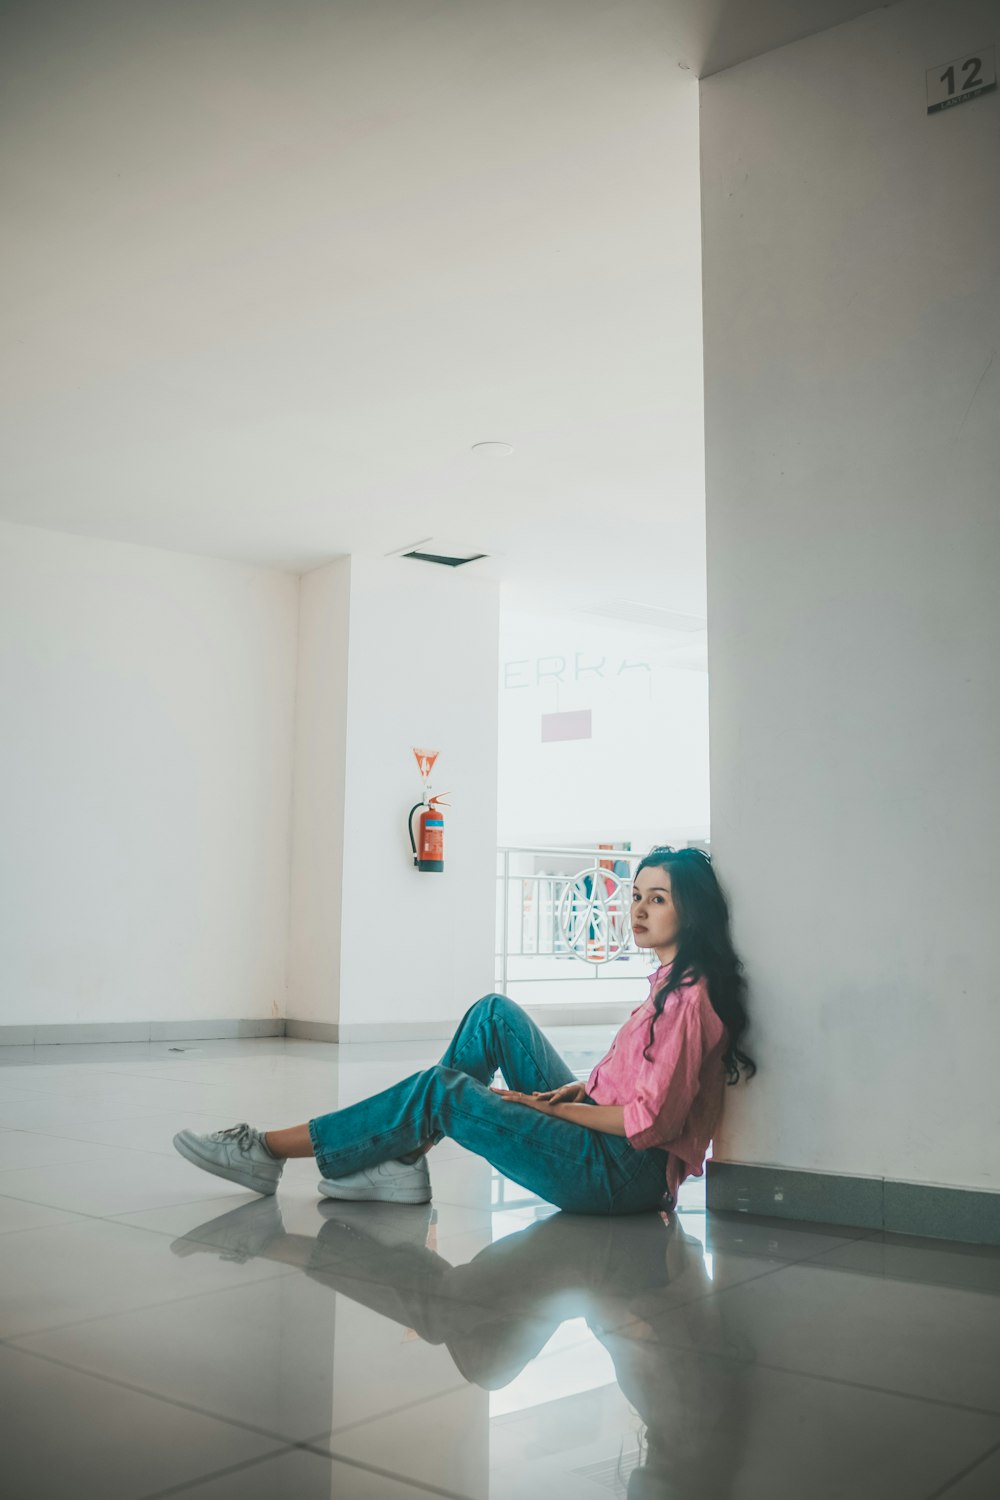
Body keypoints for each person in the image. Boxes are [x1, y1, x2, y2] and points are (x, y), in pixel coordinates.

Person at [173, 846, 757, 1215]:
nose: (638, 910)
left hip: (620, 1176)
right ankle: (401, 1164)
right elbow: (641, 1086)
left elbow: (650, 1122)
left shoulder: (687, 999)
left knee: (440, 1090)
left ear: (692, 912)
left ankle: (267, 1151)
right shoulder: (669, 983)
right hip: (609, 1150)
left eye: (657, 899)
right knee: (493, 1014)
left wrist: (548, 1111)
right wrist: (579, 1091)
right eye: (636, 896)